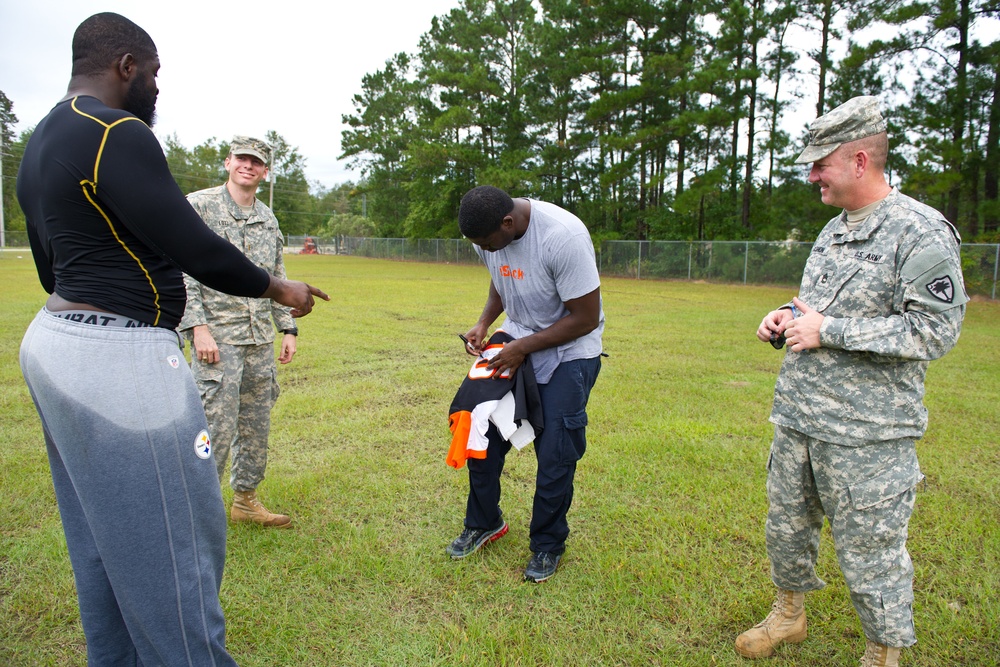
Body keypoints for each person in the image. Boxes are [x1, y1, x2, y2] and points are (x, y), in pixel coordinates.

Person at [15, 13, 328, 666]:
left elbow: (49, 260)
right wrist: (280, 290)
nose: (156, 89)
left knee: (106, 539)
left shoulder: (46, 134)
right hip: (120, 360)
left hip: (53, 342)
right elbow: (194, 245)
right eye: (153, 74)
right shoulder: (114, 131)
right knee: (177, 543)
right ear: (127, 65)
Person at [738, 96, 967, 667]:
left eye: (822, 163)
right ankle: (789, 615)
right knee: (786, 529)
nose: (812, 173)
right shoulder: (834, 230)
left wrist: (829, 329)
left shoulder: (919, 232)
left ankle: (882, 654)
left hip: (869, 433)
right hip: (801, 418)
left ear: (860, 160)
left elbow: (933, 332)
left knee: (872, 553)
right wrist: (785, 319)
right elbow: (815, 309)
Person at [449, 185, 604, 583]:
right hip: (515, 339)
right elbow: (502, 280)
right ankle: (485, 522)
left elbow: (585, 317)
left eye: (488, 243)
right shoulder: (489, 235)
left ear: (508, 222)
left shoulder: (562, 237)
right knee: (480, 427)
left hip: (570, 353)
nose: (487, 250)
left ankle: (547, 545)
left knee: (554, 452)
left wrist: (522, 348)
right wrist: (484, 322)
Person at [180, 135, 298, 527]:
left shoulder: (267, 218)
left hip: (259, 340)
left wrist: (287, 327)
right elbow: (182, 270)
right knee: (214, 425)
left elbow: (276, 276)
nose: (248, 165)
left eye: (256, 162)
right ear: (228, 163)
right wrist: (198, 327)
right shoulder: (199, 206)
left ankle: (246, 500)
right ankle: (199, 510)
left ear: (264, 172)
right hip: (218, 339)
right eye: (242, 159)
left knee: (255, 424)